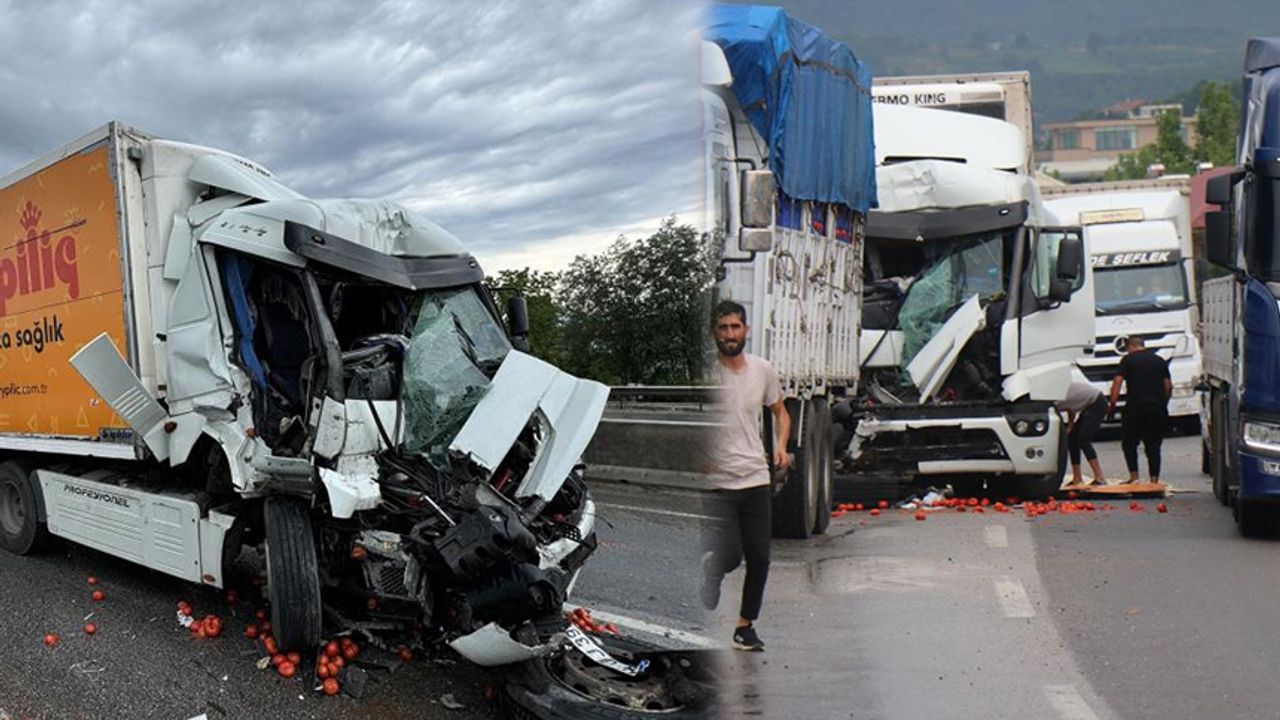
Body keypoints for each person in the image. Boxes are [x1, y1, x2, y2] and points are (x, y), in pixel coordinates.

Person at [702, 300, 790, 653]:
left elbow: (780, 412)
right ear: (715, 334)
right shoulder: (705, 374)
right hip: (718, 483)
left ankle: (745, 627)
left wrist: (782, 445)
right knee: (730, 554)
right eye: (723, 329)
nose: (730, 335)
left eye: (735, 327)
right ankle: (712, 572)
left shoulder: (763, 370)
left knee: (760, 557)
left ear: (746, 330)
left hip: (755, 475)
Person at [1108, 336, 1172, 484]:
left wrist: (1112, 404)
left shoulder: (1128, 360)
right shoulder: (1159, 360)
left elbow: (1117, 382)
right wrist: (1163, 403)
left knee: (1129, 443)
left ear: (1129, 347)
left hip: (1135, 408)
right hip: (1156, 409)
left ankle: (1134, 477)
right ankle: (1154, 480)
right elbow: (1168, 386)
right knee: (1153, 446)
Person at [1061, 380, 1107, 486]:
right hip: (1088, 404)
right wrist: (1070, 427)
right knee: (1072, 439)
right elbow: (1070, 408)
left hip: (1097, 402)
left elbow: (1067, 407)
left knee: (1083, 439)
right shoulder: (1056, 395)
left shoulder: (1052, 399)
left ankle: (1100, 477)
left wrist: (1069, 426)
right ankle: (1077, 477)